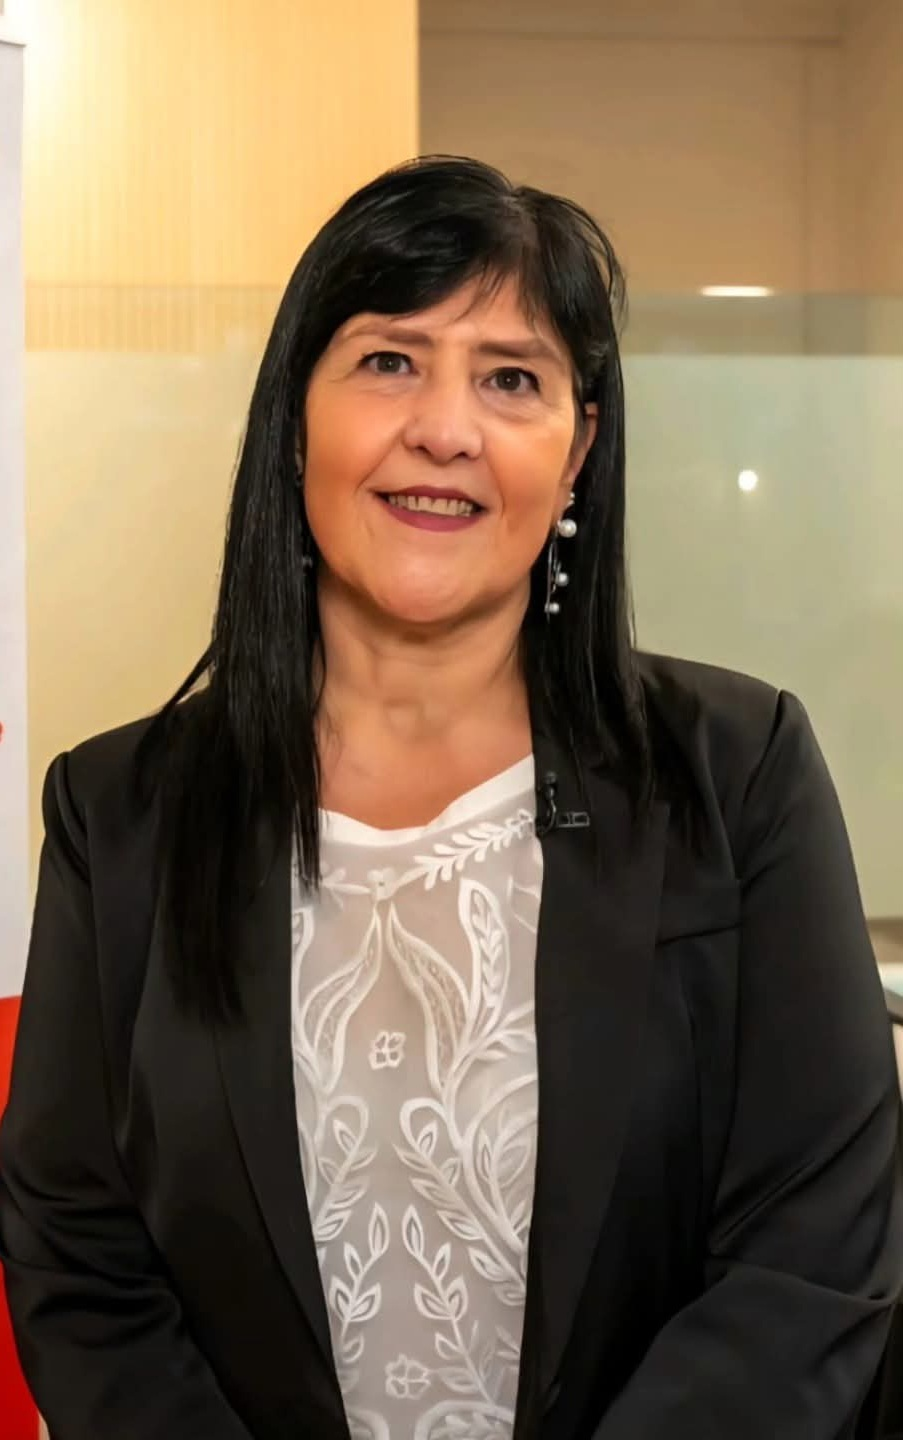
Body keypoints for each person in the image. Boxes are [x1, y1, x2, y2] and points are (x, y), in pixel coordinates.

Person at [1, 155, 900, 1440]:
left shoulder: (736, 772)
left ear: (578, 451)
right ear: (294, 418)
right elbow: (82, 1263)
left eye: (511, 378)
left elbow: (811, 1256)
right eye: (389, 360)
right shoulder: (123, 813)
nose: (446, 429)